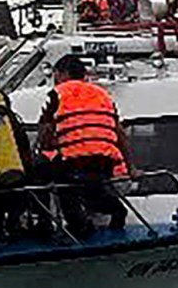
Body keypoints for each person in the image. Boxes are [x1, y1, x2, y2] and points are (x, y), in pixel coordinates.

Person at [37, 53, 129, 237]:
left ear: (62, 73)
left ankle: (59, 225)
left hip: (75, 160)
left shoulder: (57, 94)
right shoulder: (103, 95)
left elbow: (45, 133)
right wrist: (131, 166)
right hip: (105, 161)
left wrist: (49, 144)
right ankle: (117, 211)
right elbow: (120, 133)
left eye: (56, 74)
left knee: (48, 176)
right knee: (92, 189)